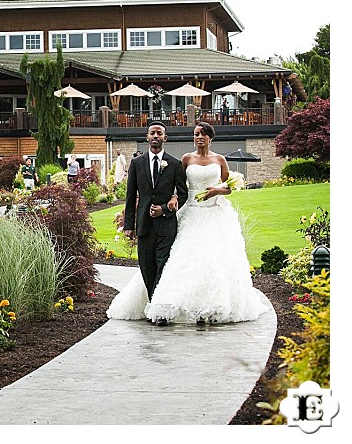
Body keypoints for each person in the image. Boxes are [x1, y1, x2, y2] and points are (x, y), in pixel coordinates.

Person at [108, 123, 269, 326]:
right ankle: (161, 302)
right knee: (181, 260)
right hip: (191, 212)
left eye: (203, 134)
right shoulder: (185, 159)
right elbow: (178, 186)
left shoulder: (219, 159)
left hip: (214, 214)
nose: (199, 137)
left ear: (211, 138)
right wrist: (172, 200)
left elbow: (229, 186)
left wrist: (216, 191)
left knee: (211, 261)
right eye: (196, 134)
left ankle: (207, 307)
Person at [109, 124, 187, 320]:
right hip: (143, 225)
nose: (155, 136)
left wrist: (165, 208)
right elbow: (130, 196)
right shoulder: (137, 163)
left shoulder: (175, 164)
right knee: (147, 267)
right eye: (152, 133)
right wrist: (128, 225)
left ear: (165, 138)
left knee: (163, 266)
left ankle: (159, 312)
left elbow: (183, 195)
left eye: (159, 133)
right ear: (147, 137)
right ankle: (154, 303)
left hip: (166, 226)